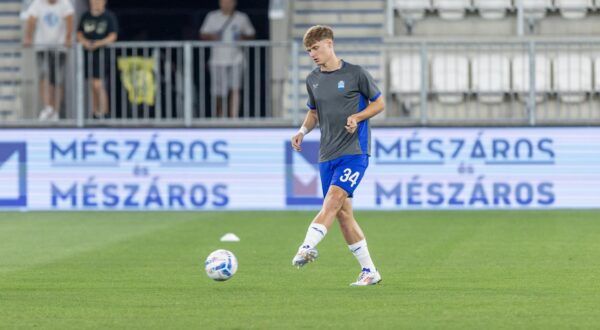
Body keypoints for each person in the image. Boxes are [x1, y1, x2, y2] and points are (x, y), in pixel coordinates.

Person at [290, 25, 385, 286]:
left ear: (329, 44)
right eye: (309, 51)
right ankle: (369, 272)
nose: (312, 54)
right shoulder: (313, 79)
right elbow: (313, 112)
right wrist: (302, 131)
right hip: (327, 153)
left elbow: (379, 103)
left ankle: (307, 246)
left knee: (332, 199)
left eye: (316, 48)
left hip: (354, 152)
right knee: (343, 214)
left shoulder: (356, 74)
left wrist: (357, 116)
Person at [200, 0, 255, 118]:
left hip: (237, 59)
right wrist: (212, 36)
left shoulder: (242, 17)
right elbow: (202, 34)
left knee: (235, 89)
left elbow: (251, 34)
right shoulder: (212, 17)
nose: (227, 4)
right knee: (219, 92)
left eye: (229, 2)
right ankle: (220, 116)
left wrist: (243, 37)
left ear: (234, 3)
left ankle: (233, 117)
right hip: (217, 60)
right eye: (224, 2)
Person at [23, 0, 74, 121]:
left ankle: (56, 110)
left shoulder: (65, 4)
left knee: (57, 80)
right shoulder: (38, 3)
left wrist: (67, 37)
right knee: (44, 76)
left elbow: (70, 20)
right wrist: (28, 37)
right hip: (42, 46)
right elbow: (31, 20)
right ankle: (48, 107)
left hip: (59, 47)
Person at [76, 0, 118, 119]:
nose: (95, 3)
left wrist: (98, 44)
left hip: (102, 55)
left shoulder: (108, 17)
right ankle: (95, 112)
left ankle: (105, 112)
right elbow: (79, 33)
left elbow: (113, 36)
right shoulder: (86, 16)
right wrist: (85, 43)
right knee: (92, 84)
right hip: (89, 55)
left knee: (98, 84)